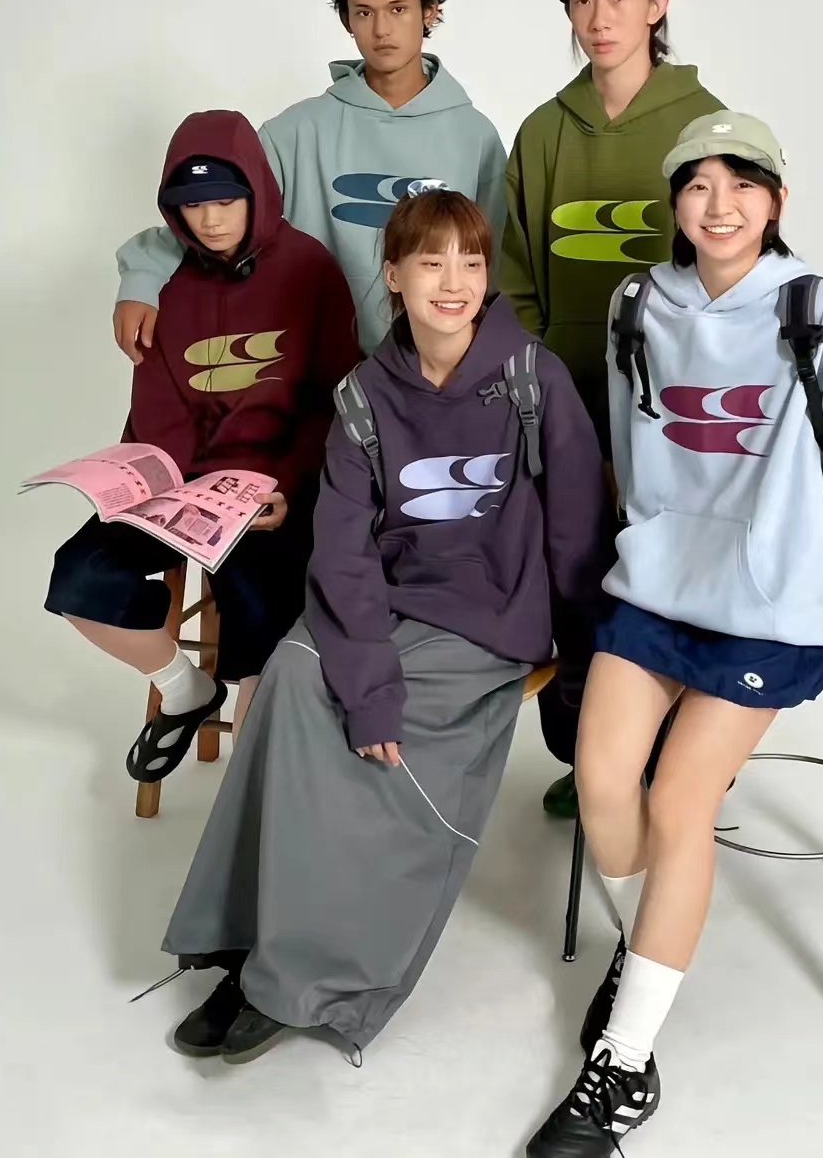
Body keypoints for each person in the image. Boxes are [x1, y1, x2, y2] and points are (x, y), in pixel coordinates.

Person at [525, 112, 823, 1156]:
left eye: (742, 183)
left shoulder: (812, 309)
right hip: (662, 585)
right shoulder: (637, 306)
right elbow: (634, 452)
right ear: (673, 204)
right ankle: (643, 946)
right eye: (698, 185)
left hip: (772, 595)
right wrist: (645, 542)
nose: (720, 205)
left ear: (776, 201)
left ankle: (623, 1064)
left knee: (677, 800)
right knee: (600, 780)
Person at [158, 190, 610, 1063]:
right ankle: (244, 942)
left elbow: (578, 531)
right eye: (431, 262)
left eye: (471, 262)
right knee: (292, 678)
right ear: (394, 275)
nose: (454, 282)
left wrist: (587, 669)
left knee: (377, 745)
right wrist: (364, 677)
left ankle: (306, 979)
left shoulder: (533, 378)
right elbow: (342, 547)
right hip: (387, 602)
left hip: (489, 620)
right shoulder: (365, 393)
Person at [45, 110, 359, 779]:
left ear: (257, 193)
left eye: (225, 200)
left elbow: (333, 397)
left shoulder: (310, 269)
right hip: (181, 489)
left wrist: (287, 484)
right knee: (78, 577)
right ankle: (186, 691)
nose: (210, 220)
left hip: (274, 493)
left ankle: (258, 789)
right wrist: (165, 491)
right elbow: (156, 405)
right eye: (192, 205)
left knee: (261, 611)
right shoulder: (161, 282)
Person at [500, 0, 727, 816]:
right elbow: (514, 277)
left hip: (677, 401)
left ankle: (681, 760)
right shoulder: (541, 133)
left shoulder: (705, 126)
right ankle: (586, 757)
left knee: (672, 573)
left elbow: (732, 270)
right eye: (584, 0)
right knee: (574, 572)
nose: (599, 19)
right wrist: (540, 396)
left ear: (658, 4)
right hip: (564, 395)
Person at [113, 0, 508, 357]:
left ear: (429, 11)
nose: (381, 29)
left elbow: (500, 263)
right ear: (347, 20)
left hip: (439, 368)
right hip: (314, 362)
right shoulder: (295, 132)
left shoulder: (474, 135)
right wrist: (143, 277)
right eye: (364, 13)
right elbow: (218, 213)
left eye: (398, 9)